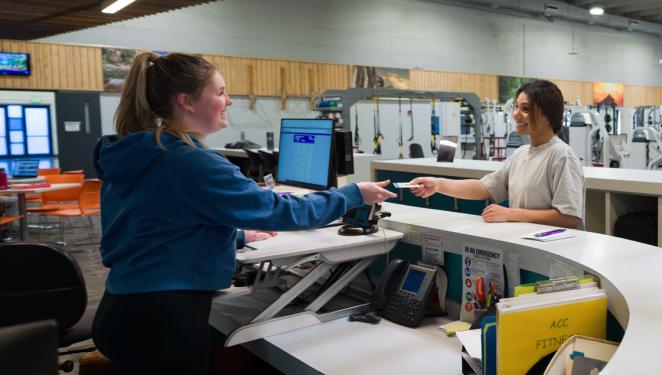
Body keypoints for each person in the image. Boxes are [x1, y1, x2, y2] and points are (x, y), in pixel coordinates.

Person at [92, 52, 397, 374]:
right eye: (220, 92)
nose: (230, 101)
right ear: (187, 102)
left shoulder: (135, 155)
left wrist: (235, 235)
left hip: (124, 305)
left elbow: (146, 223)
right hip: (162, 319)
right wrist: (352, 194)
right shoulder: (189, 163)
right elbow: (280, 210)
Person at [409, 80, 583, 228]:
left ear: (548, 114)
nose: (516, 114)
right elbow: (484, 188)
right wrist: (438, 185)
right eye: (516, 107)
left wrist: (511, 214)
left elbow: (569, 218)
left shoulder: (561, 156)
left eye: (526, 109)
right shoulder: (520, 155)